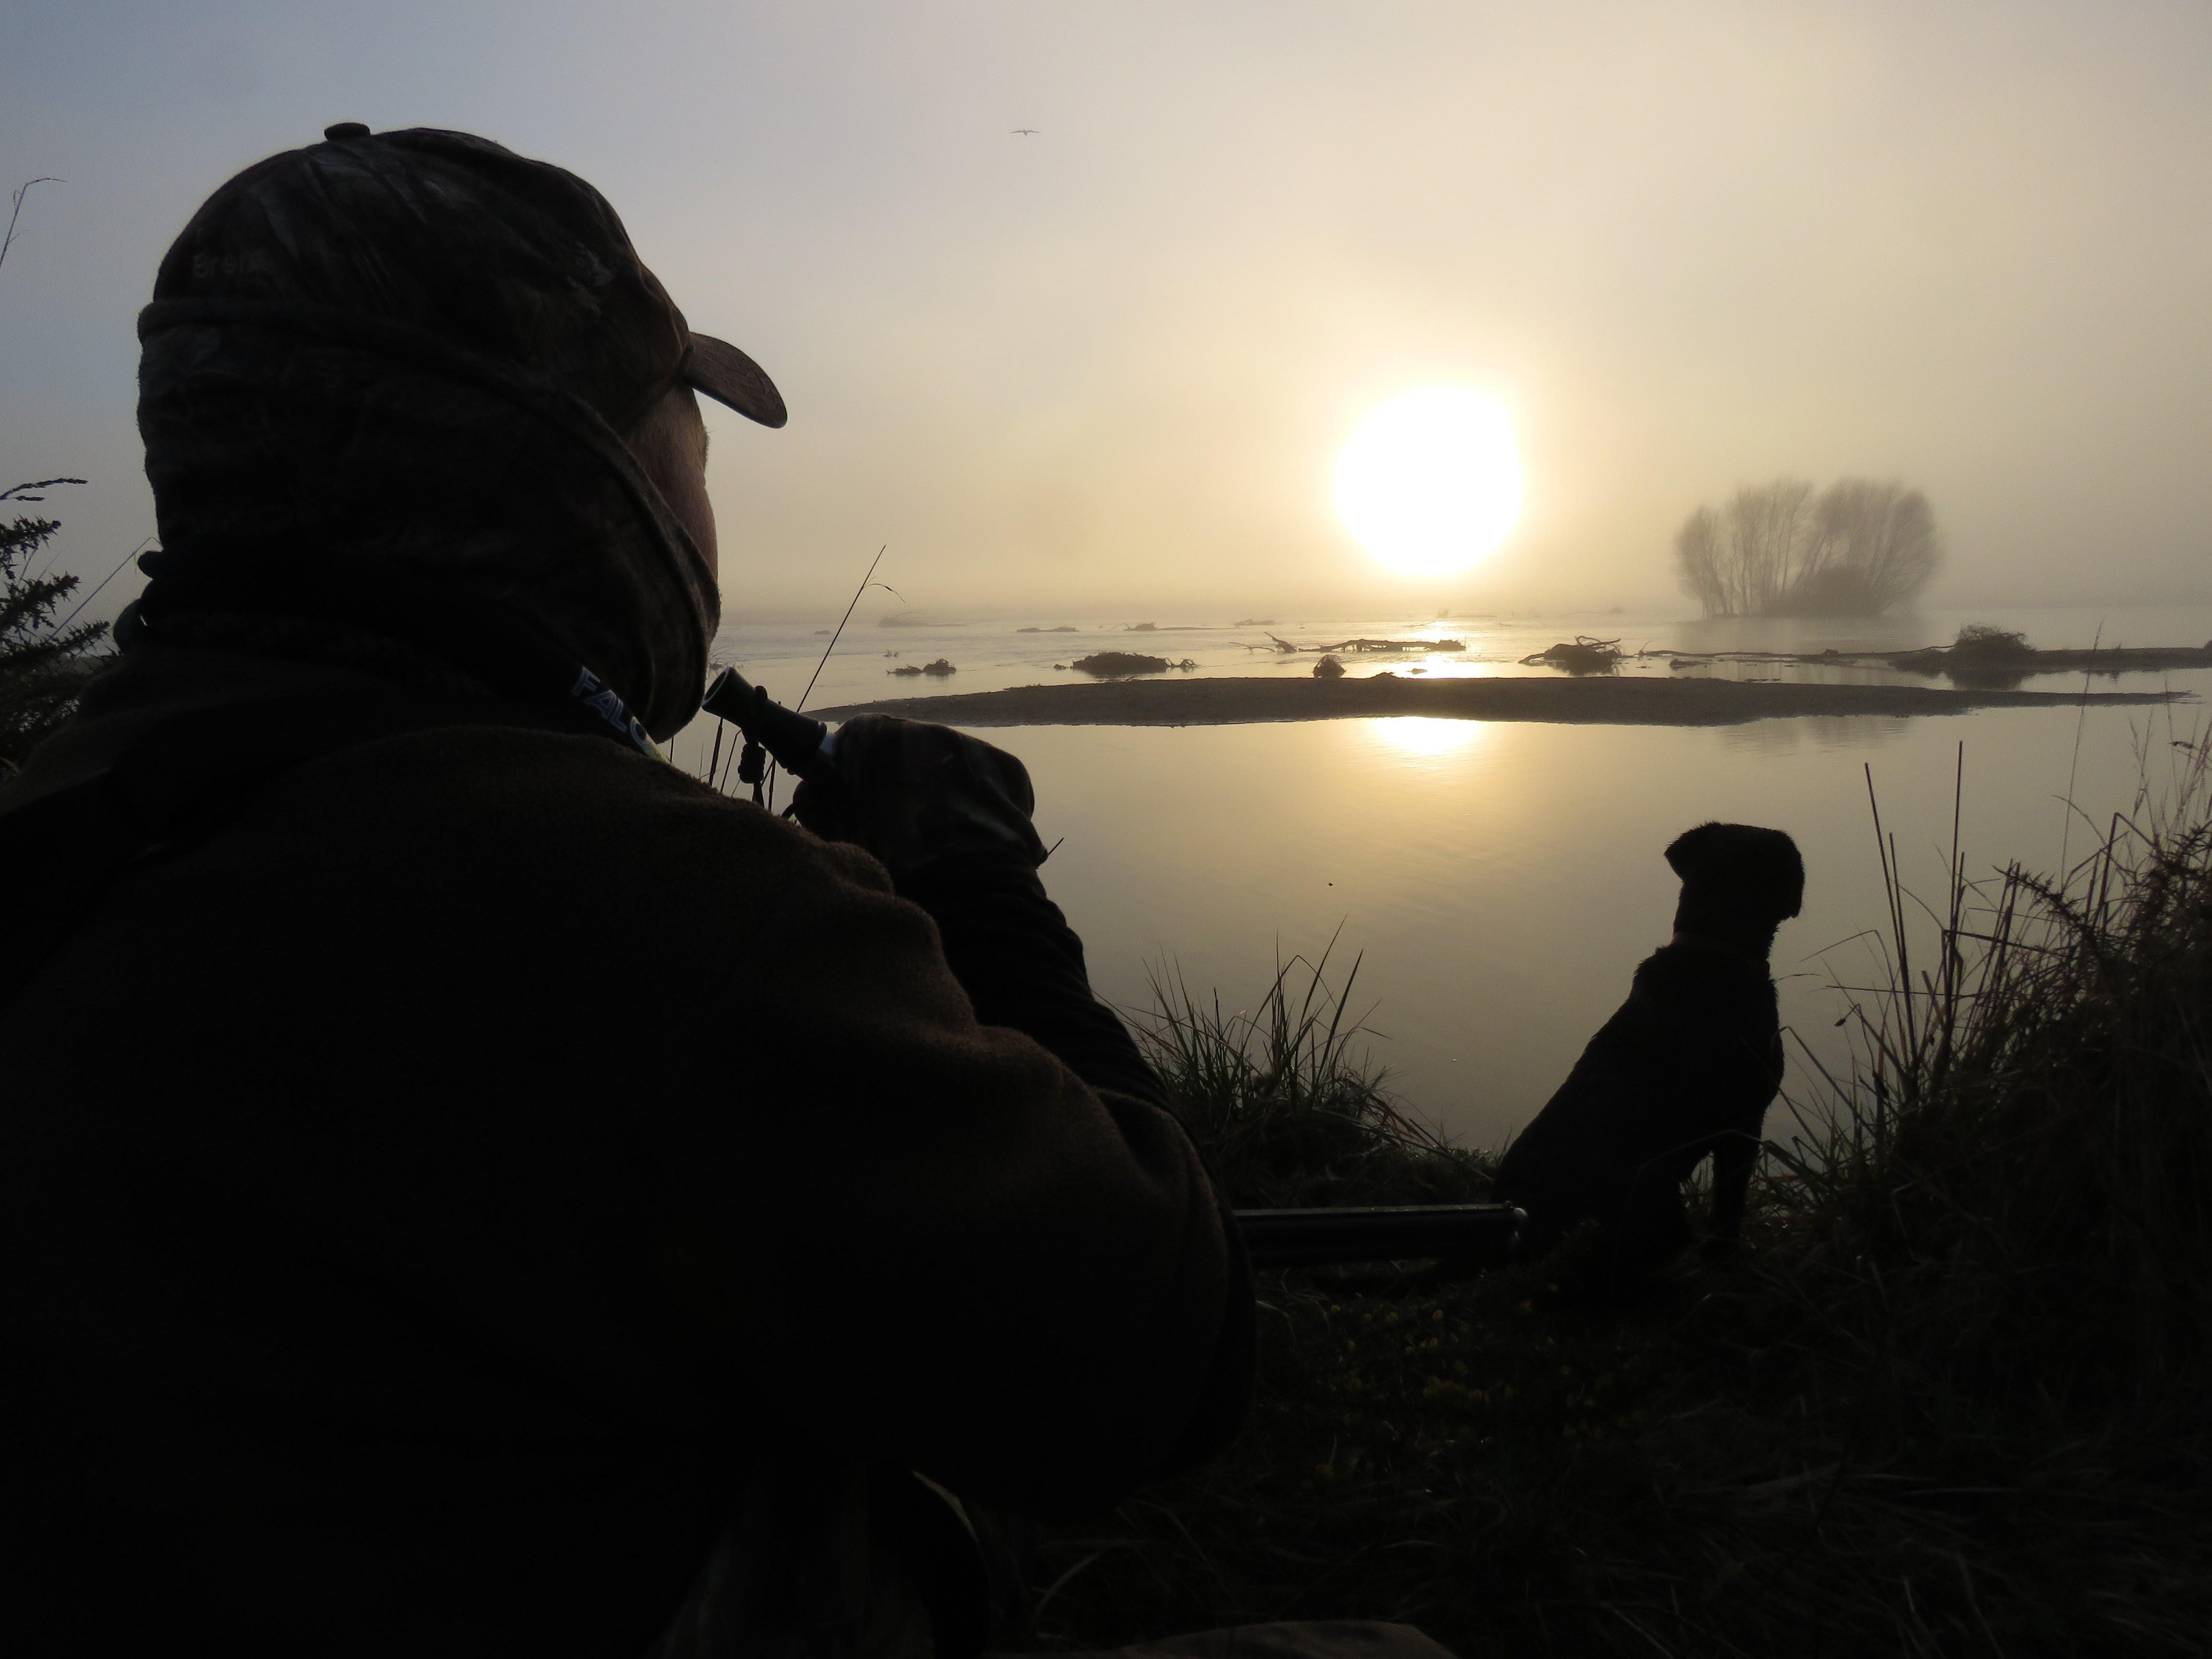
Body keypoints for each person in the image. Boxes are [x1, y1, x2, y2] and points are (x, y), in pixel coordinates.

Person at [0, 124, 1258, 1658]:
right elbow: (1165, 1355)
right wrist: (974, 884)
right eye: (694, 444)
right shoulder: (646, 902)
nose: (706, 513)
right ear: (578, 473)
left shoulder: (72, 815)